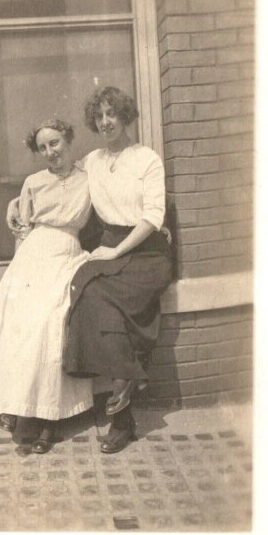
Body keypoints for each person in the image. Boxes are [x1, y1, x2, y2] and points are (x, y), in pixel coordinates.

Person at [64, 87, 172, 454]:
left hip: (147, 252)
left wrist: (114, 252)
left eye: (111, 114)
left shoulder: (147, 159)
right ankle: (125, 388)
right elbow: (61, 179)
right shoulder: (92, 160)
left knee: (101, 295)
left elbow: (153, 218)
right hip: (112, 246)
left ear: (124, 116)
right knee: (87, 292)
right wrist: (20, 198)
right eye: (99, 117)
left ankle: (123, 409)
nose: (105, 122)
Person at [0, 119, 94, 454]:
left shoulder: (89, 178)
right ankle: (16, 408)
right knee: (18, 318)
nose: (50, 152)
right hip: (33, 256)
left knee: (52, 322)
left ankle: (50, 420)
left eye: (56, 143)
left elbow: (118, 201)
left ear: (69, 139)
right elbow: (24, 230)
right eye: (43, 147)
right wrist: (19, 274)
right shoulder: (33, 182)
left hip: (66, 254)